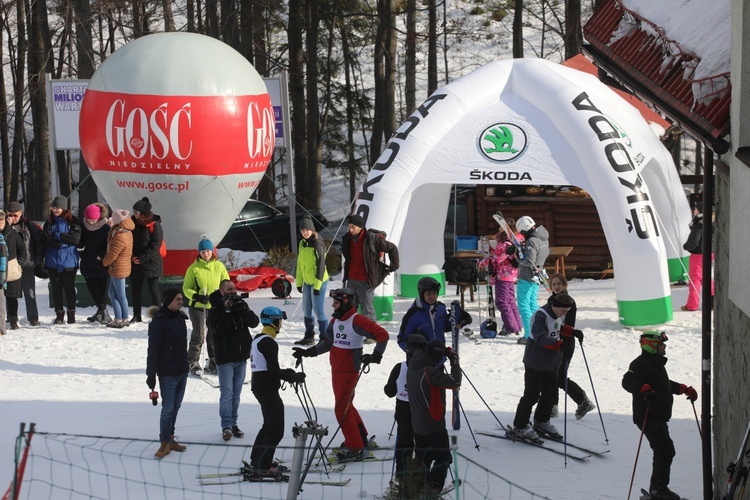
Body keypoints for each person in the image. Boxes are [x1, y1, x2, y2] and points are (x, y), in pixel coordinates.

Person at [292, 288, 389, 461]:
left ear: (345, 302)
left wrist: (376, 355)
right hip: (336, 368)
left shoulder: (357, 320)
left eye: (336, 302)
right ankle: (360, 438)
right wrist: (307, 353)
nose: (333, 306)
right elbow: (328, 343)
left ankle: (355, 447)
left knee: (340, 409)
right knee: (346, 406)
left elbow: (382, 335)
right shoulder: (335, 320)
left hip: (349, 370)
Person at [622, 331, 697, 500]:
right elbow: (627, 381)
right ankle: (658, 490)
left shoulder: (656, 363)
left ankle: (658, 488)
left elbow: (663, 384)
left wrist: (683, 389)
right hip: (648, 416)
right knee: (665, 450)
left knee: (664, 450)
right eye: (662, 344)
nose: (665, 347)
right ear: (652, 346)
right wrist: (642, 388)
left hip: (658, 416)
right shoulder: (640, 364)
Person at [506, 293, 581, 441]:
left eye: (567, 311)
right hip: (536, 362)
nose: (564, 314)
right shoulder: (540, 315)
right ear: (554, 305)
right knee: (531, 395)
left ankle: (542, 421)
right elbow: (540, 337)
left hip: (552, 363)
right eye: (563, 311)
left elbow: (558, 328)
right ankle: (520, 425)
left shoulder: (558, 314)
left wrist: (571, 332)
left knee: (550, 395)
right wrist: (559, 344)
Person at [247, 306, 305, 480]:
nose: (281, 324)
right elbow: (272, 370)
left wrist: (288, 373)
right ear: (274, 321)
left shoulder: (259, 338)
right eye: (280, 320)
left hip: (261, 385)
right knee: (276, 430)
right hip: (266, 388)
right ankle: (262, 467)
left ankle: (257, 461)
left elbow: (269, 367)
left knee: (268, 426)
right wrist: (292, 378)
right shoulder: (269, 342)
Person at [407, 338, 461, 496]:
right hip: (433, 424)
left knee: (423, 458)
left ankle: (417, 486)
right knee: (443, 457)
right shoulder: (428, 372)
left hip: (418, 424)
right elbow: (455, 382)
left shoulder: (413, 365)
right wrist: (454, 362)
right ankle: (432, 487)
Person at [208, 279, 259, 440]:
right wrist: (227, 312)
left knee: (236, 394)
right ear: (222, 291)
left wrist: (242, 309)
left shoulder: (240, 305)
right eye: (229, 289)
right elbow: (217, 331)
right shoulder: (215, 309)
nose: (232, 292)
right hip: (225, 358)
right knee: (227, 394)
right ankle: (226, 426)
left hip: (241, 356)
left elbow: (254, 322)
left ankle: (234, 424)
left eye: (234, 289)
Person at [146, 288, 190, 460]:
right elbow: (153, 350)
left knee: (176, 407)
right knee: (168, 409)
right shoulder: (158, 322)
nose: (181, 302)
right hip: (167, 373)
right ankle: (164, 442)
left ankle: (171, 438)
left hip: (182, 371)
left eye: (181, 299)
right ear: (169, 300)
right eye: (178, 299)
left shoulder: (180, 319)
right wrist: (151, 375)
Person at [547, 273, 595, 420]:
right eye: (553, 284)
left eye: (558, 284)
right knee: (552, 375)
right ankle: (552, 406)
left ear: (564, 285)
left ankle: (583, 401)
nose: (556, 287)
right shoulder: (551, 299)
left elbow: (568, 324)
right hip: (553, 341)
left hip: (565, 342)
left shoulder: (569, 302)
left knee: (560, 377)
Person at [384, 333, 427, 485]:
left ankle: (402, 477)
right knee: (422, 446)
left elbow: (389, 392)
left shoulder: (399, 367)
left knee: (404, 445)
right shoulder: (427, 368)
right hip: (421, 413)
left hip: (403, 411)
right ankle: (420, 477)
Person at [183, 236, 229, 375]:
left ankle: (213, 359)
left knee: (214, 333)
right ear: (199, 253)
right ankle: (192, 360)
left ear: (212, 251)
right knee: (199, 334)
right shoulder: (194, 268)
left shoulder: (219, 266)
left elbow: (226, 282)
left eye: (208, 251)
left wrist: (224, 295)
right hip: (198, 306)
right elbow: (186, 288)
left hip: (215, 306)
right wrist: (196, 296)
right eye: (203, 252)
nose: (206, 254)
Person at [341, 214, 400, 321]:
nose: (350, 229)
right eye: (349, 226)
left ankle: (371, 335)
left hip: (366, 280)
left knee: (366, 308)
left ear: (360, 227)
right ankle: (350, 333)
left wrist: (393, 266)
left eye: (353, 227)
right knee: (349, 307)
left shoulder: (372, 239)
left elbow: (392, 248)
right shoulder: (347, 239)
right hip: (352, 278)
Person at [396, 276, 471, 352]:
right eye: (428, 294)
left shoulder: (441, 308)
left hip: (439, 357)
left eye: (434, 293)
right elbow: (402, 339)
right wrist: (415, 352)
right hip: (421, 360)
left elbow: (442, 327)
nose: (432, 297)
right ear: (422, 294)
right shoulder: (413, 314)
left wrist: (456, 320)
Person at [42, 196, 81, 325]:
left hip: (69, 260)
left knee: (69, 288)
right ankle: (59, 313)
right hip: (53, 261)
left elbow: (75, 239)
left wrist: (58, 236)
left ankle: (71, 312)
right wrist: (61, 242)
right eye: (53, 207)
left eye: (57, 207)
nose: (55, 210)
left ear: (64, 208)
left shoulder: (73, 221)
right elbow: (47, 239)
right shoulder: (49, 222)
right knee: (56, 288)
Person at [482, 219, 523, 335]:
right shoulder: (512, 241)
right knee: (510, 301)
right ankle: (517, 325)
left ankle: (511, 326)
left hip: (503, 275)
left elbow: (498, 258)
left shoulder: (505, 243)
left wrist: (486, 259)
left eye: (500, 227)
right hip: (510, 276)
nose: (498, 229)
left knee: (502, 301)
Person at [294, 215, 330, 345]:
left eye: (307, 230)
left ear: (312, 230)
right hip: (307, 282)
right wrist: (299, 282)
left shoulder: (318, 243)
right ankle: (309, 335)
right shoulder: (302, 243)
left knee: (318, 310)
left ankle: (325, 336)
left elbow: (321, 265)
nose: (305, 232)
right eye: (302, 230)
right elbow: (300, 264)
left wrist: (317, 285)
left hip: (318, 281)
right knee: (306, 308)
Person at [513, 215, 550, 345]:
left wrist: (517, 257)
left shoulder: (532, 241)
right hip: (536, 275)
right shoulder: (543, 238)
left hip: (527, 276)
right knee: (533, 304)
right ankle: (540, 330)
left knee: (524, 306)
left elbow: (529, 260)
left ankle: (529, 335)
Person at [5, 202, 43, 327]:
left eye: (15, 215)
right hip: (10, 265)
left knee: (30, 293)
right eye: (9, 215)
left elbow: (38, 242)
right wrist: (8, 226)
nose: (13, 218)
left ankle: (33, 317)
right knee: (11, 294)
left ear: (21, 213)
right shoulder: (4, 226)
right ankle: (12, 318)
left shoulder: (28, 226)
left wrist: (37, 259)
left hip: (27, 264)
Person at [130, 197, 164, 324]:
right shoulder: (132, 224)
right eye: (133, 211)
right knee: (135, 291)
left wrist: (142, 258)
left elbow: (156, 245)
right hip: (135, 262)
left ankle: (158, 315)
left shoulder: (155, 225)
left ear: (143, 213)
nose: (134, 214)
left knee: (153, 290)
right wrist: (132, 257)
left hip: (151, 263)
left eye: (136, 212)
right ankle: (136, 315)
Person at [78, 203, 112, 325]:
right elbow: (80, 242)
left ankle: (102, 311)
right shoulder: (83, 226)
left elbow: (109, 245)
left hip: (101, 263)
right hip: (88, 261)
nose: (91, 222)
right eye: (88, 219)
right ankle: (102, 311)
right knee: (92, 288)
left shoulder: (105, 228)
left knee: (102, 289)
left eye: (93, 220)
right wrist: (82, 253)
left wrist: (100, 256)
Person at [101, 209, 135, 328]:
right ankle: (122, 318)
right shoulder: (125, 231)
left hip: (118, 267)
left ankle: (120, 319)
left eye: (113, 219)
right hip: (122, 266)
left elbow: (112, 254)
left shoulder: (120, 236)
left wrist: (104, 262)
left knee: (119, 294)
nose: (111, 220)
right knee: (114, 293)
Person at [682, 199, 714, 311]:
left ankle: (692, 304)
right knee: (706, 277)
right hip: (710, 253)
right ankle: (712, 301)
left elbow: (694, 241)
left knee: (695, 278)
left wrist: (686, 246)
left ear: (700, 210)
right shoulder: (712, 220)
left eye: (695, 208)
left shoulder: (699, 223)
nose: (693, 210)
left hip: (698, 254)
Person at [0, 210, 27, 334]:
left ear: (5, 220)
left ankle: (13, 319)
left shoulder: (13, 233)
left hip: (11, 267)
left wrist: (19, 262)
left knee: (12, 296)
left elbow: (22, 249)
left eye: (1, 220)